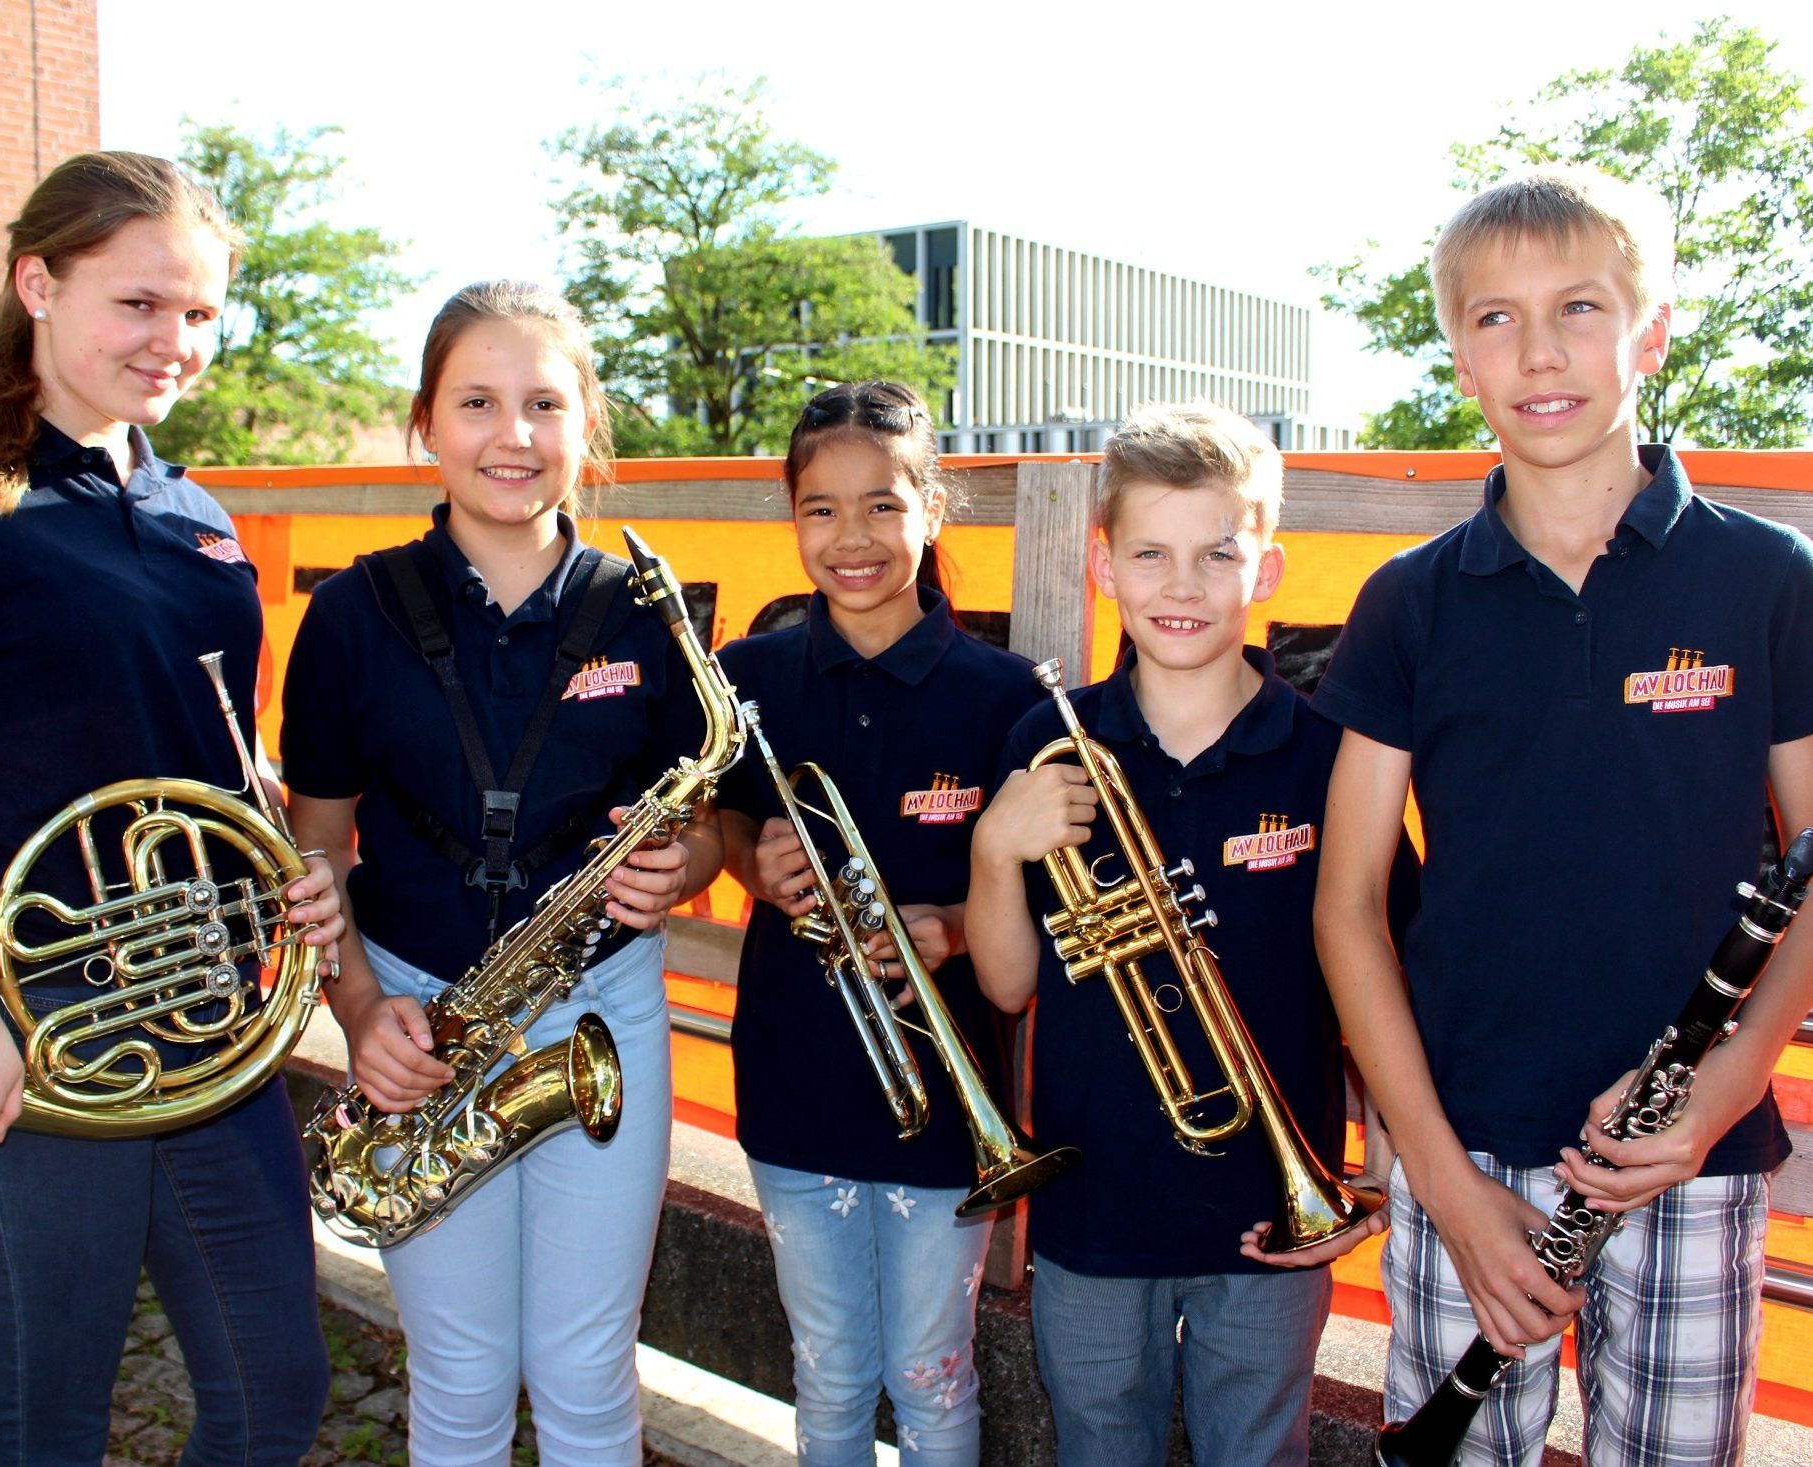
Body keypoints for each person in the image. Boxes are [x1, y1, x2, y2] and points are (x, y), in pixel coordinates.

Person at [1311, 165, 1813, 1466]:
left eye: (1580, 307)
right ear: (1460, 355)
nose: (1539, 350)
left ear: (1651, 331)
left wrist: (1719, 1088)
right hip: (1462, 1140)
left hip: (1689, 1156)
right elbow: (1349, 901)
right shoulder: (1410, 601)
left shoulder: (1766, 578)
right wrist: (1439, 1176)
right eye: (1495, 318)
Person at [0, 151, 343, 1465]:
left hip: (213, 1015)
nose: (172, 341)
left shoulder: (196, 514)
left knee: (272, 1396)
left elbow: (214, 763)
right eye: (137, 304)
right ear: (37, 283)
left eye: (196, 312)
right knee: (39, 1431)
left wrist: (293, 869)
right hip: (36, 1020)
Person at [278, 279, 721, 1467]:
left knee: (586, 1369)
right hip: (421, 1015)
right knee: (462, 1374)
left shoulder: (648, 610)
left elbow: (713, 815)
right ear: (426, 422)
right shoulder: (353, 615)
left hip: (599, 1003)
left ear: (589, 426)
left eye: (543, 403)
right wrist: (361, 1010)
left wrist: (687, 864)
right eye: (477, 402)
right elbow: (316, 847)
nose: (512, 437)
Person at [966, 402, 1411, 1467]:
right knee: (1098, 1445)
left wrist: (1381, 1163)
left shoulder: (1324, 753)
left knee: (1259, 1451)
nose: (1182, 585)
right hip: (1092, 1206)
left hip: (1271, 1208)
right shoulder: (1049, 741)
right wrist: (995, 852)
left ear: (1266, 571)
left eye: (1218, 554)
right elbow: (1009, 982)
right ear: (1103, 564)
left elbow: (1385, 963)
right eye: (1152, 554)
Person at [713, 381, 1042, 1466]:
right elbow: (717, 818)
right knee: (832, 1367)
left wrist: (946, 926)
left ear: (933, 509)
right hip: (795, 1077)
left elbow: (1031, 906)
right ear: (792, 516)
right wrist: (751, 860)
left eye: (884, 507)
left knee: (935, 1372)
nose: (852, 538)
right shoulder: (749, 678)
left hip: (947, 1097)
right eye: (822, 509)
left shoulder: (1002, 698)